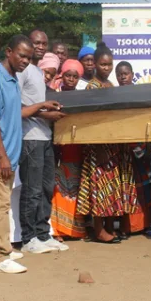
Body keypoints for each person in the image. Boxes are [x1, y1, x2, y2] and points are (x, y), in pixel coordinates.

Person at [0, 35, 60, 273]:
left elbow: (17, 113)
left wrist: (43, 106)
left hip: (10, 151)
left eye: (29, 58)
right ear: (9, 51)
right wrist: (2, 156)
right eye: (21, 55)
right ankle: (1, 258)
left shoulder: (12, 79)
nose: (25, 61)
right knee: (0, 204)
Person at [77, 43, 138, 243]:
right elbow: (91, 121)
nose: (107, 68)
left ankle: (111, 227)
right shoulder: (91, 87)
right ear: (94, 64)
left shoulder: (111, 86)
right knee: (99, 188)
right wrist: (99, 148)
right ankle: (99, 230)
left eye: (109, 64)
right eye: (103, 65)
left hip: (113, 146)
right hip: (98, 147)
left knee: (111, 189)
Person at [18, 30, 68, 255]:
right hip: (30, 139)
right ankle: (28, 238)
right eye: (36, 42)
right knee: (32, 189)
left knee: (47, 188)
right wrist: (46, 114)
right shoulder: (23, 71)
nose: (40, 46)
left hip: (45, 137)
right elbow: (16, 108)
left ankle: (42, 233)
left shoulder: (39, 73)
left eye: (44, 43)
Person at [114, 61, 151, 234]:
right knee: (125, 187)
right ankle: (127, 226)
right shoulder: (112, 94)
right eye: (120, 74)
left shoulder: (141, 94)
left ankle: (144, 224)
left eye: (126, 73)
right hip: (121, 149)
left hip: (141, 146)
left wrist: (145, 146)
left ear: (132, 74)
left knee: (142, 188)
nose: (123, 77)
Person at [51, 59, 88, 240]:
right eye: (68, 75)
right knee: (59, 189)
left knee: (75, 189)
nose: (71, 79)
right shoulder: (54, 95)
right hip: (59, 148)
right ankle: (58, 230)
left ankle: (75, 229)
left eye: (75, 76)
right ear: (62, 75)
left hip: (77, 146)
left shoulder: (82, 97)